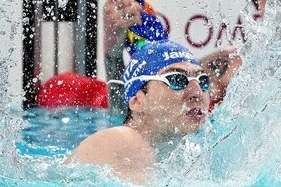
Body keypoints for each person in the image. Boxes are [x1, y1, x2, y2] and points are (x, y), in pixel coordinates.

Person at [67, 40, 211, 184]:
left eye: (203, 81)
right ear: (137, 101)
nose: (197, 92)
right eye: (177, 79)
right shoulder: (122, 142)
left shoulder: (188, 152)